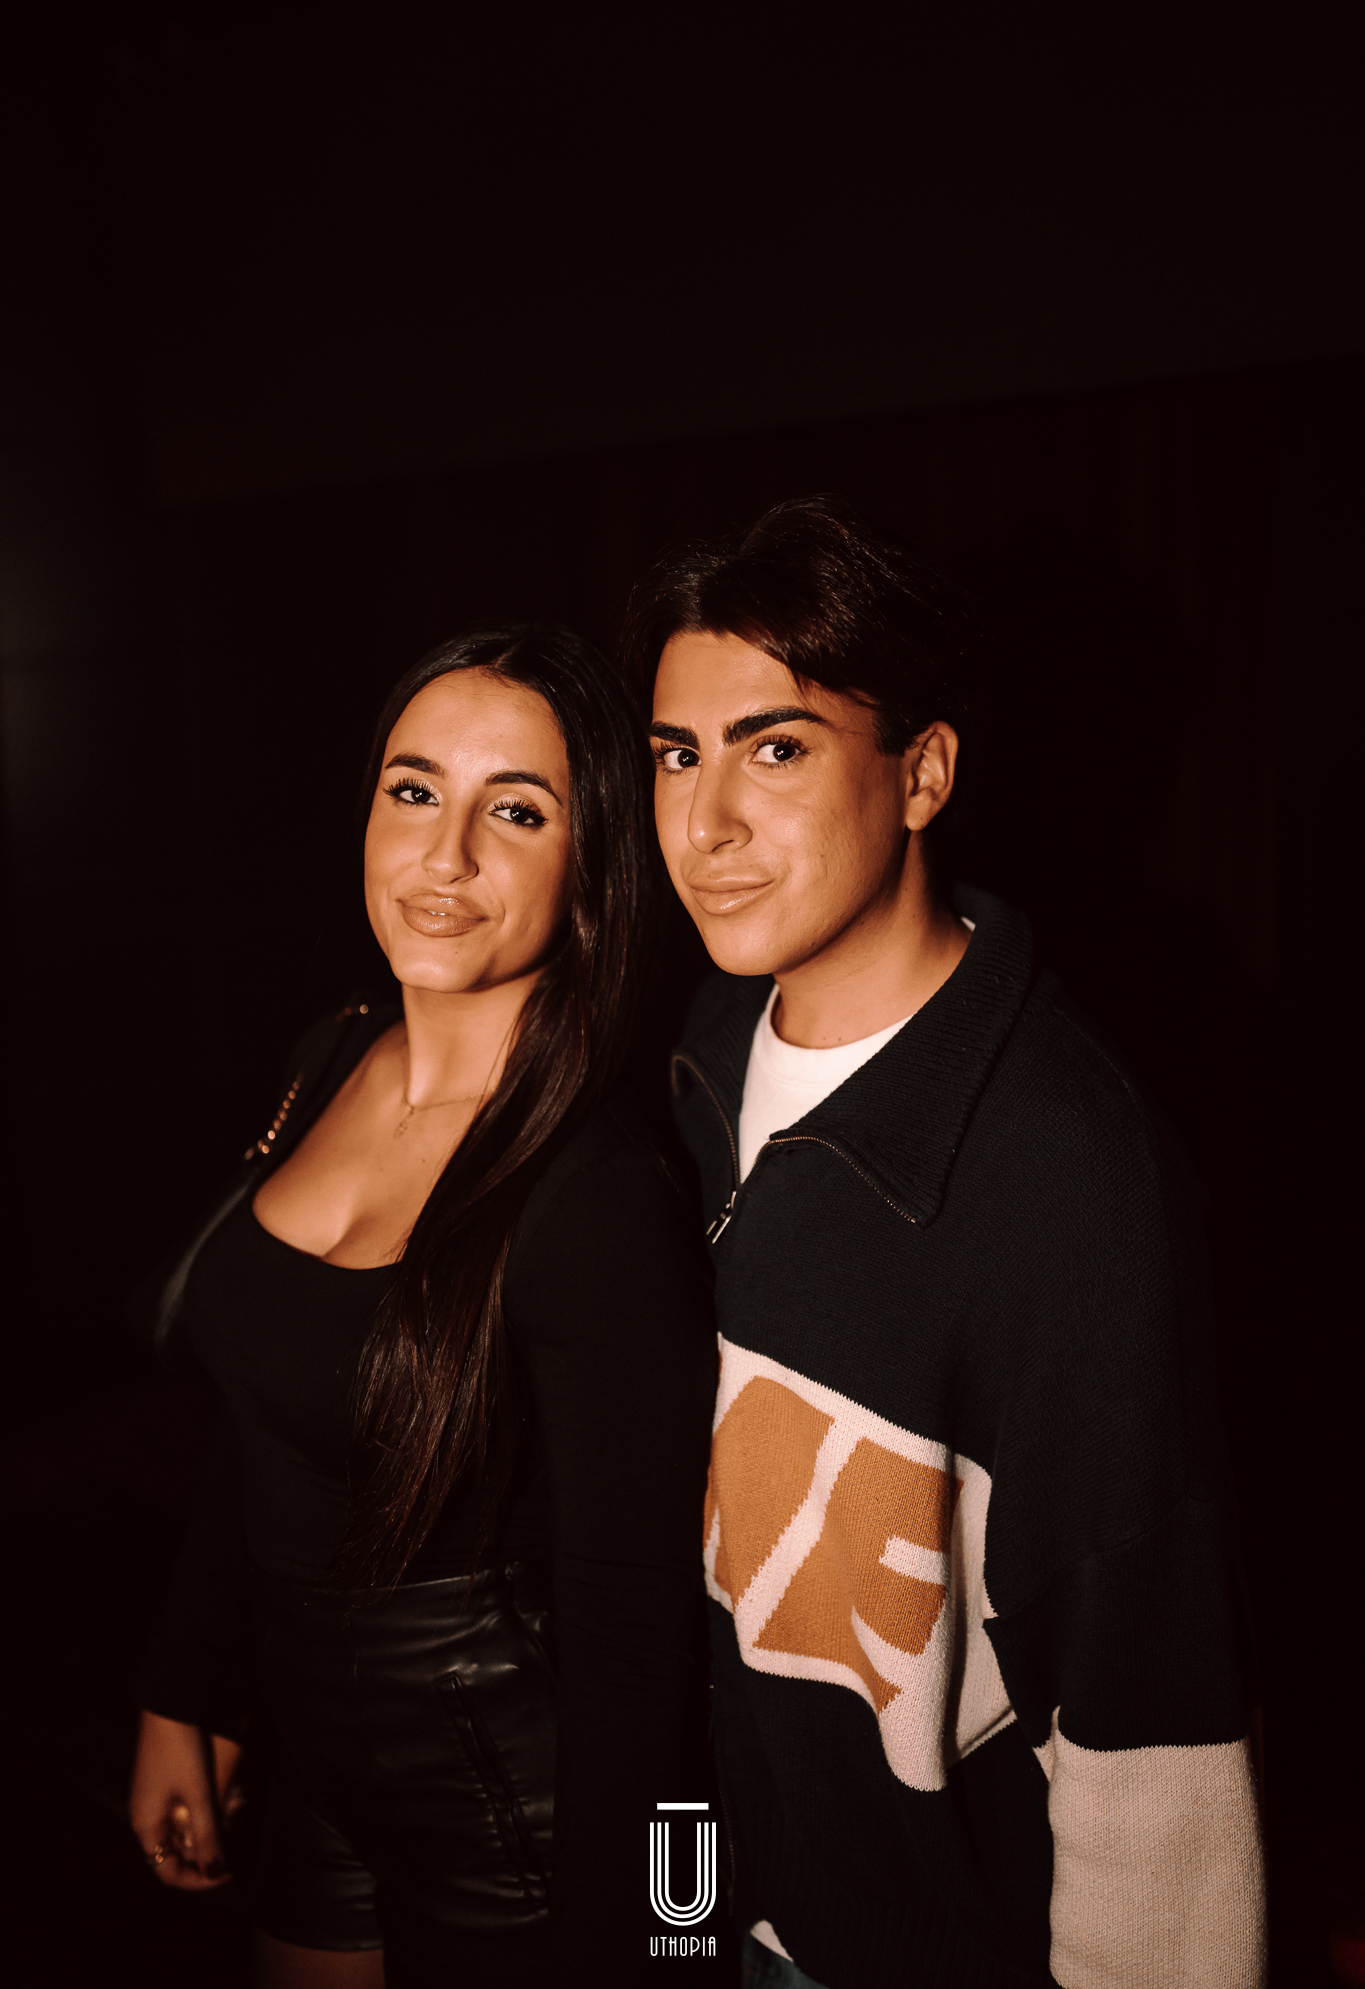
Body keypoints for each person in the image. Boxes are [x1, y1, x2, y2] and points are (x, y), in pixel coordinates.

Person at [624, 499, 1267, 1989]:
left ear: (921, 773)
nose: (703, 825)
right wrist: (675, 1927)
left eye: (774, 750)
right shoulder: (695, 1053)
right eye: (677, 755)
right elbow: (697, 1648)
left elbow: (1147, 1718)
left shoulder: (1068, 1170)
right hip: (718, 1918)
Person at [127, 624, 717, 1988]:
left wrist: (653, 1939)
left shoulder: (597, 1195)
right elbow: (268, 1415)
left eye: (515, 811)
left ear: (593, 861)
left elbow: (644, 1641)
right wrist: (184, 1690)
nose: (443, 857)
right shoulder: (330, 1052)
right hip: (315, 1769)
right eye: (413, 790)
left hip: (519, 1820)